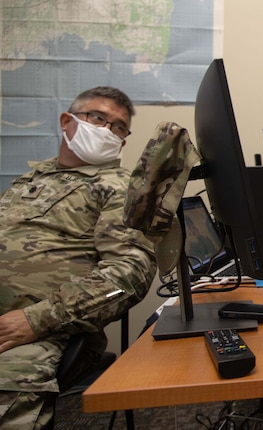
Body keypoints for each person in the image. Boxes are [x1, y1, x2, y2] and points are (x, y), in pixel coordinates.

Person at [0, 86, 157, 429]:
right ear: (67, 121)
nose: (107, 130)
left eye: (118, 127)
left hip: (43, 330)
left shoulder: (119, 188)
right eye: (98, 118)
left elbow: (129, 274)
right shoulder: (29, 180)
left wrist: (38, 319)